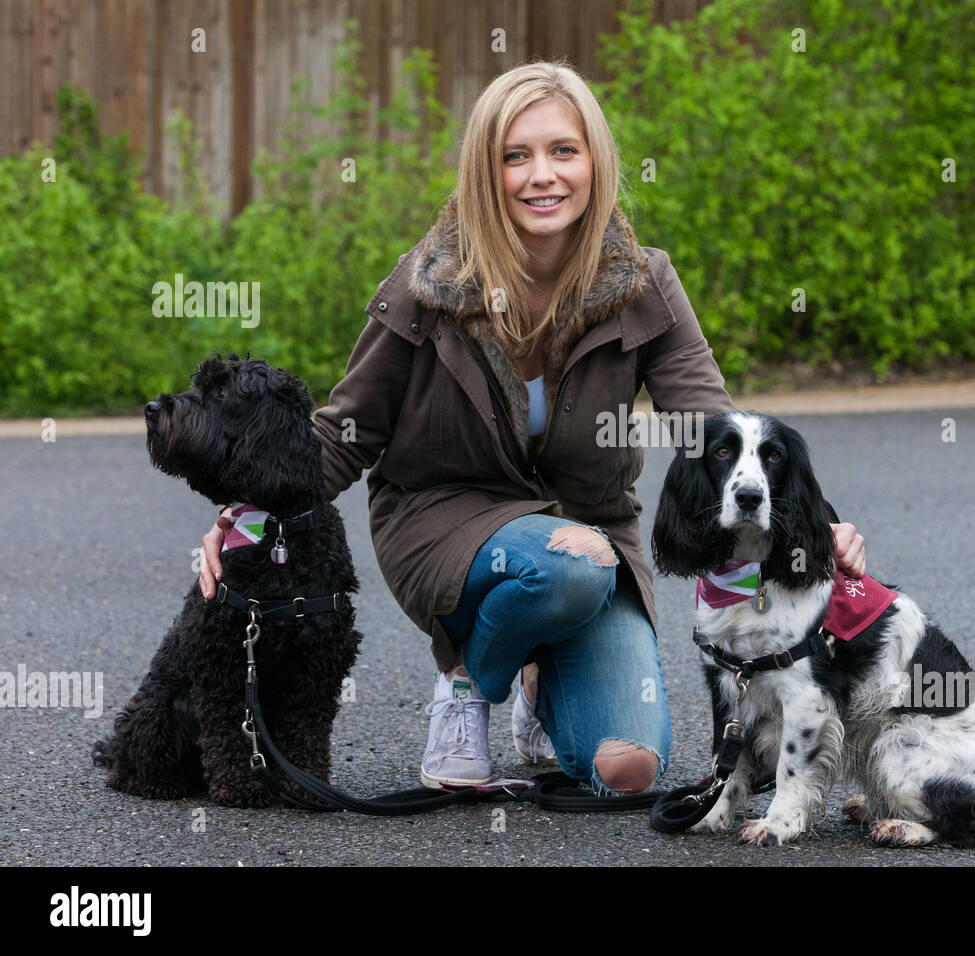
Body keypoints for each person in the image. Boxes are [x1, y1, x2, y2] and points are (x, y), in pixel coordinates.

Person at [198, 61, 865, 796]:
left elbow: (713, 429)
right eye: (514, 156)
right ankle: (466, 686)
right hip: (443, 525)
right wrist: (246, 518)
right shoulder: (427, 283)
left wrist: (818, 522)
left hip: (591, 540)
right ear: (487, 171)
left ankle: (538, 681)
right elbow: (342, 434)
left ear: (596, 162)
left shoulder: (646, 284)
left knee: (628, 770)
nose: (540, 175)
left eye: (562, 151)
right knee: (568, 564)